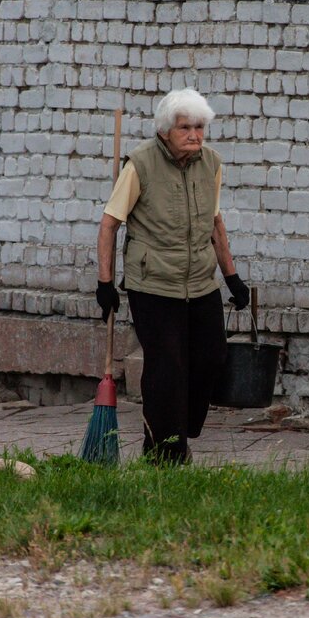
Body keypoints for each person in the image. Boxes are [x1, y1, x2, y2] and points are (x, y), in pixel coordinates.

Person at [95, 88, 249, 464]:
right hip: (153, 284)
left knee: (212, 357)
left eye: (200, 127)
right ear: (166, 130)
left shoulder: (211, 163)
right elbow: (109, 224)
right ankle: (166, 452)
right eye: (186, 128)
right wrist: (105, 283)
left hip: (199, 282)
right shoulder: (141, 164)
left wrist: (232, 278)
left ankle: (180, 430)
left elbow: (214, 223)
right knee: (167, 368)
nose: (195, 135)